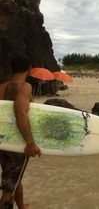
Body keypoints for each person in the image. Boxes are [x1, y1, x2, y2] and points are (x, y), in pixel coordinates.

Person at [0, 53, 41, 209]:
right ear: (29, 69)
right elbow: (20, 113)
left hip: (3, 142)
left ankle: (22, 206)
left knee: (12, 179)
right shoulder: (24, 87)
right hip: (17, 142)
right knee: (8, 189)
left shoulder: (1, 87)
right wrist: (30, 142)